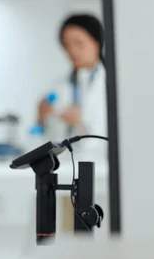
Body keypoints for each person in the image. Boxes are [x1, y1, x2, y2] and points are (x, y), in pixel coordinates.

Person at [36, 13, 107, 156]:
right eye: (67, 45)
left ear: (97, 43)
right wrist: (42, 117)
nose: (72, 51)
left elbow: (105, 139)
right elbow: (47, 137)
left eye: (79, 44)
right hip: (65, 164)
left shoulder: (109, 83)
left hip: (99, 162)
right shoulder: (58, 85)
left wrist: (78, 123)